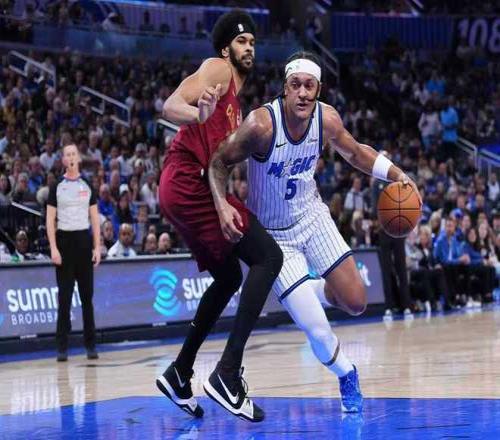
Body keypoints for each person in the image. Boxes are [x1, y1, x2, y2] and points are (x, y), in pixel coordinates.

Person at [209, 51, 420, 414]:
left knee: (356, 302)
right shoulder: (261, 125)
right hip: (274, 237)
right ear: (285, 88)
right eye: (296, 85)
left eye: (310, 86)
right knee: (319, 332)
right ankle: (347, 373)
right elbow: (218, 161)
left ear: (318, 90)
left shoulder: (327, 119)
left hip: (312, 217)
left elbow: (357, 153)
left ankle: (309, 292)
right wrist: (221, 205)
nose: (303, 93)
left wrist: (398, 175)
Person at [156, 10, 283, 422]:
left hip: (187, 187)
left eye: (253, 42)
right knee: (269, 257)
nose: (249, 48)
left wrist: (224, 198)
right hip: (186, 181)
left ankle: (180, 372)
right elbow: (170, 105)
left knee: (229, 277)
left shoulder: (236, 108)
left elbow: (219, 164)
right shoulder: (218, 70)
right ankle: (227, 374)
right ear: (226, 49)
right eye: (242, 42)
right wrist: (196, 115)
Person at [46, 144, 101, 362]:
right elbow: (50, 219)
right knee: (65, 298)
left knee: (87, 298)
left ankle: (91, 345)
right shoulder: (56, 187)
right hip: (64, 243)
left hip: (83, 243)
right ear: (63, 160)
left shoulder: (87, 184)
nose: (70, 157)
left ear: (78, 158)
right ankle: (62, 347)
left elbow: (94, 219)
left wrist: (97, 247)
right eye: (67, 155)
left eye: (73, 154)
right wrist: (53, 248)